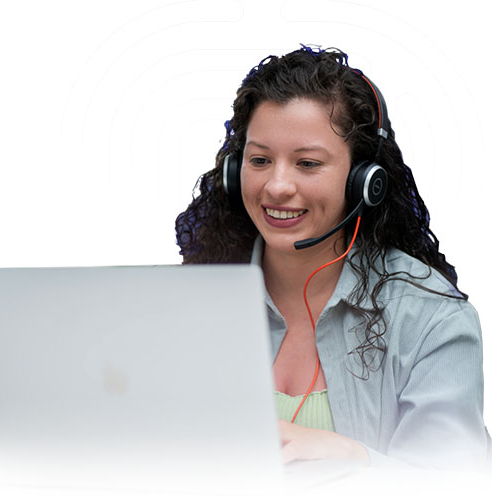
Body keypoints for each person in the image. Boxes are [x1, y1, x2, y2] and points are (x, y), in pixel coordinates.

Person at [175, 44, 489, 469]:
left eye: (307, 163)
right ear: (235, 171)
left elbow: (453, 489)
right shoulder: (190, 303)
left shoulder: (432, 320)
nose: (277, 186)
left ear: (364, 181)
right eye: (260, 160)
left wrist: (354, 458)